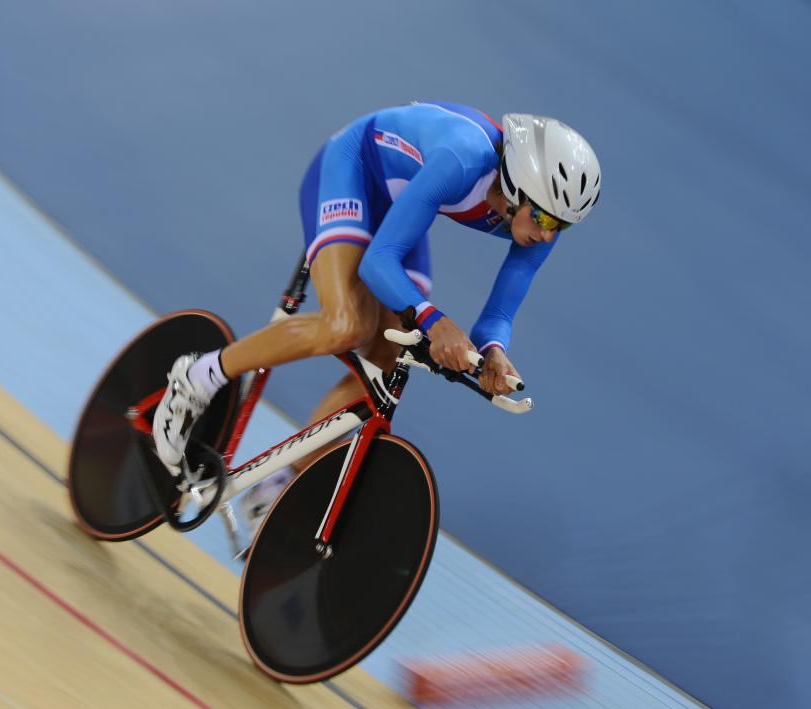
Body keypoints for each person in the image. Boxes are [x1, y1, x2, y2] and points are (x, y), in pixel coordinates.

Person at [152, 101, 601, 526]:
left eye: (560, 227)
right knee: (347, 325)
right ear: (519, 185)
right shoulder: (464, 159)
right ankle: (197, 378)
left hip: (402, 200)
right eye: (544, 221)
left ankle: (279, 484)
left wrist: (495, 353)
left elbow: (498, 313)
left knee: (387, 360)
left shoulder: (544, 219)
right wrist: (436, 321)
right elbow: (379, 261)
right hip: (351, 171)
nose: (548, 237)